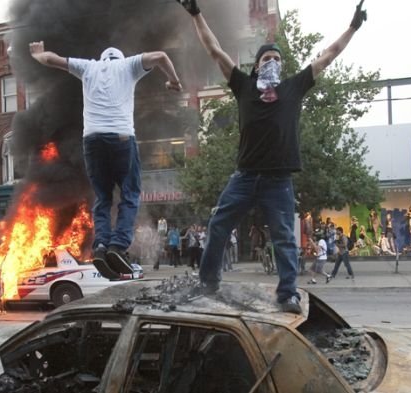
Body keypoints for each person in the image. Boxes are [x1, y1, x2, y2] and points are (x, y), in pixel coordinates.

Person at [177, 0, 367, 313]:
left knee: (284, 239)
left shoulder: (294, 88)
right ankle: (208, 282)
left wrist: (353, 27)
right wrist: (196, 13)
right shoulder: (243, 86)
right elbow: (214, 49)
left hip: (278, 181)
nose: (273, 62)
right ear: (256, 65)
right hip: (244, 177)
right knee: (218, 226)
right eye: (267, 57)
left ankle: (288, 294)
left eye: (277, 59)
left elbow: (329, 55)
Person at [28, 41, 182, 278]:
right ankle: (118, 246)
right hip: (121, 138)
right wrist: (174, 80)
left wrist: (38, 54)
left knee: (103, 197)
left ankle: (100, 246)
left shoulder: (89, 67)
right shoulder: (128, 65)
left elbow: (51, 59)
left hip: (92, 140)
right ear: (119, 58)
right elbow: (161, 55)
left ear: (102, 59)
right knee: (129, 193)